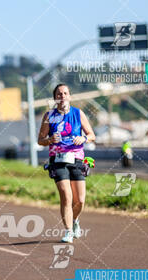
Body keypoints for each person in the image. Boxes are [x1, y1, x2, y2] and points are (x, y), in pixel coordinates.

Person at [38, 83, 96, 244]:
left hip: (76, 159)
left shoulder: (78, 114)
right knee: (66, 196)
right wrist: (49, 140)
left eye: (65, 93)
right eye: (59, 94)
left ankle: (75, 220)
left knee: (80, 201)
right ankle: (68, 231)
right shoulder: (48, 116)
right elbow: (40, 140)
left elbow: (92, 135)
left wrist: (83, 138)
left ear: (69, 96)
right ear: (55, 98)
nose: (62, 96)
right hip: (57, 160)